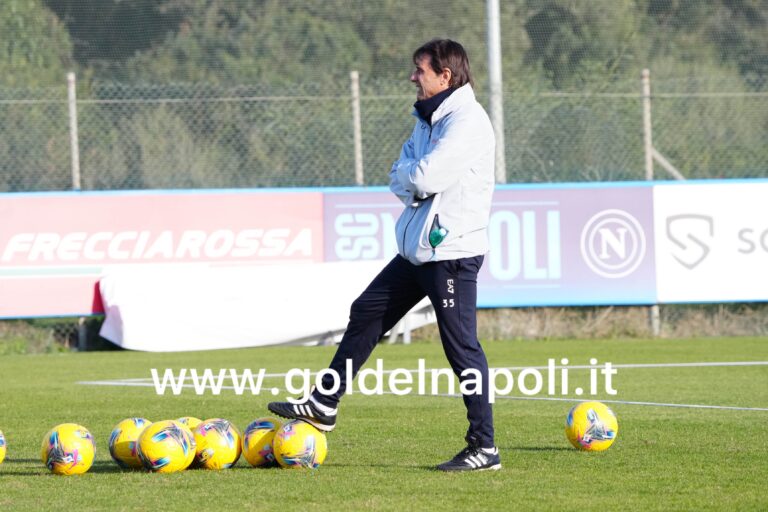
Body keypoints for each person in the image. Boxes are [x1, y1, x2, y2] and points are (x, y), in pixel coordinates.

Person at [269, 39, 499, 472]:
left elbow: (424, 176)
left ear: (444, 76)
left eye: (420, 70)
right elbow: (402, 173)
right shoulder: (429, 119)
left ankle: (484, 447)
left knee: (461, 348)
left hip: (451, 253)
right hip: (418, 252)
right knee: (367, 310)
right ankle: (324, 403)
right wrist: (412, 175)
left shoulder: (467, 121)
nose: (413, 77)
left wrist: (412, 175)